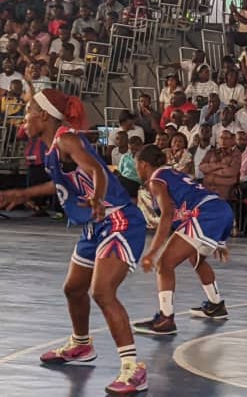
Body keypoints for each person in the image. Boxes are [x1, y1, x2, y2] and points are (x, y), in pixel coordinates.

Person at [0, 89, 148, 394]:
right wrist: (24, 194)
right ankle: (81, 345)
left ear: (43, 115)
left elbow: (97, 170)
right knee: (73, 289)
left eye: (27, 111)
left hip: (118, 220)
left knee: (102, 292)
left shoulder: (67, 139)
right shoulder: (54, 147)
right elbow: (62, 184)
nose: (23, 118)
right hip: (95, 225)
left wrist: (95, 196)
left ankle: (133, 368)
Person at [132, 145, 233, 335]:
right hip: (220, 209)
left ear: (144, 164)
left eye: (137, 164)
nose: (137, 169)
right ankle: (216, 305)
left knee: (164, 264)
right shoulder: (172, 173)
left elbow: (167, 216)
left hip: (206, 213)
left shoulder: (156, 180)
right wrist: (220, 239)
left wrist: (152, 252)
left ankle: (165, 319)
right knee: (196, 257)